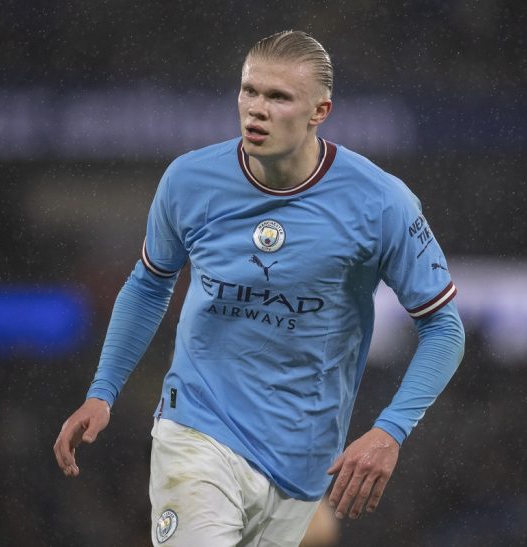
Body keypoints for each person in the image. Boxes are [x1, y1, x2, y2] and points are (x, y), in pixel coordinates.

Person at [54, 30, 465, 546]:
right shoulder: (189, 181)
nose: (256, 109)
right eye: (249, 91)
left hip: (303, 460)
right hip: (197, 428)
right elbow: (148, 286)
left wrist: (391, 430)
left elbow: (444, 328)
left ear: (320, 111)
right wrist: (102, 390)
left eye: (278, 97)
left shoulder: (381, 203)